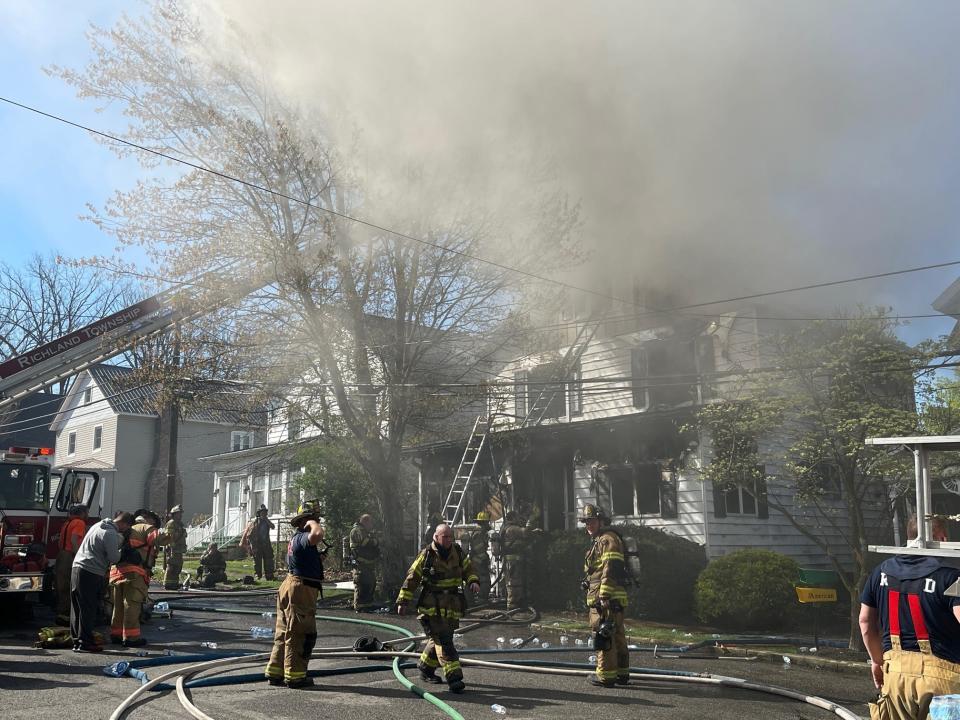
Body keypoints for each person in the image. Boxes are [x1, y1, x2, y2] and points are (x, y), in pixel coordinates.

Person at [860, 515, 960, 720]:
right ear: (941, 538)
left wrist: (877, 661)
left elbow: (865, 622)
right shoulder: (950, 576)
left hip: (895, 676)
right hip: (943, 683)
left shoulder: (880, 572)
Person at [397, 522, 480, 693]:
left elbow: (468, 568)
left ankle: (425, 668)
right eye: (445, 537)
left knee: (439, 638)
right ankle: (454, 678)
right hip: (431, 606)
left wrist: (473, 581)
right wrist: (403, 601)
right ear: (436, 537)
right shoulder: (427, 555)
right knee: (444, 641)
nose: (449, 540)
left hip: (451, 605)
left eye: (450, 536)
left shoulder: (457, 552)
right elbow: (412, 578)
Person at [264, 500, 325, 689]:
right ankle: (295, 676)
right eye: (313, 519)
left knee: (283, 633)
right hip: (300, 589)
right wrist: (313, 523)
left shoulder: (296, 539)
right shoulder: (304, 535)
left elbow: (301, 559)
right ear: (304, 521)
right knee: (301, 633)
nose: (316, 522)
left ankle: (275, 672)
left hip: (291, 586)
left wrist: (318, 558)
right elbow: (317, 535)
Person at [580, 503, 630, 688]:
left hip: (607, 599)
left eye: (592, 521)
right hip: (612, 597)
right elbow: (600, 569)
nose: (589, 526)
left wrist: (604, 595)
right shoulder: (603, 539)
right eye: (586, 522)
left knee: (604, 635)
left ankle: (606, 676)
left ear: (601, 521)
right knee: (617, 635)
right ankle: (622, 674)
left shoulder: (606, 540)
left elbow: (611, 569)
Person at [71, 510, 133, 653]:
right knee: (88, 608)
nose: (125, 530)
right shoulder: (110, 533)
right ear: (124, 524)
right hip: (91, 572)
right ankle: (85, 643)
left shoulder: (97, 525)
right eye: (127, 528)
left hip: (77, 568)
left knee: (77, 607)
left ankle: (77, 641)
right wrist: (122, 548)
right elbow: (114, 558)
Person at [109, 509, 168, 647]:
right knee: (131, 604)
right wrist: (172, 532)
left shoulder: (121, 529)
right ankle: (131, 638)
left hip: (116, 572)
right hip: (134, 574)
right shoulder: (145, 527)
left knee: (118, 606)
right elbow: (161, 538)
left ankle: (116, 634)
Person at [55, 504, 88, 626]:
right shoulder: (79, 523)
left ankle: (61, 613)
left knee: (61, 585)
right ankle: (68, 615)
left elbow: (60, 542)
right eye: (86, 512)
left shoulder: (67, 523)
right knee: (70, 585)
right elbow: (74, 540)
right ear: (82, 513)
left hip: (62, 554)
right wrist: (78, 555)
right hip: (70, 556)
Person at [349, 513, 380, 610]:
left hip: (367, 564)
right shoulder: (357, 530)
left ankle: (368, 605)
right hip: (360, 563)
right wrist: (376, 541)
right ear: (365, 522)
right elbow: (365, 543)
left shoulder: (365, 531)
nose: (372, 526)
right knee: (362, 584)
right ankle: (360, 606)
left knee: (371, 583)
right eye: (371, 523)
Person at [501, 511, 530, 610]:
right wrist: (530, 523)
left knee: (514, 581)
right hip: (512, 561)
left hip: (511, 560)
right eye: (517, 517)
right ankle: (512, 605)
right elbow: (525, 532)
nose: (518, 518)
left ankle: (516, 604)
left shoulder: (505, 528)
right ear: (512, 518)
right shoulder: (512, 528)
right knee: (513, 583)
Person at [242, 504, 276, 581]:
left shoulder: (267, 522)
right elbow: (249, 535)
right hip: (257, 545)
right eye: (262, 512)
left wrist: (267, 520)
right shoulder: (255, 522)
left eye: (265, 512)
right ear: (259, 513)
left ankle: (269, 575)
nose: (264, 514)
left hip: (266, 544)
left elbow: (273, 526)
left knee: (268, 559)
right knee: (257, 561)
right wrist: (252, 546)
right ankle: (258, 575)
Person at [464, 511, 492, 602]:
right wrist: (484, 558)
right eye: (487, 522)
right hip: (479, 561)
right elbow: (478, 547)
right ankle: (482, 599)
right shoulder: (480, 533)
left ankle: (468, 599)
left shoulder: (477, 531)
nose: (489, 524)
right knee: (485, 580)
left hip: (474, 560)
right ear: (484, 522)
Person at [163, 505, 188, 590]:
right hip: (172, 549)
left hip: (179, 549)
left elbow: (183, 534)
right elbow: (169, 536)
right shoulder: (171, 523)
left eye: (181, 513)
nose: (180, 515)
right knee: (171, 566)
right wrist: (171, 548)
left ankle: (174, 583)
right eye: (178, 514)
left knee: (178, 566)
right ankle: (167, 583)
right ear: (174, 514)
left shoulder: (180, 524)